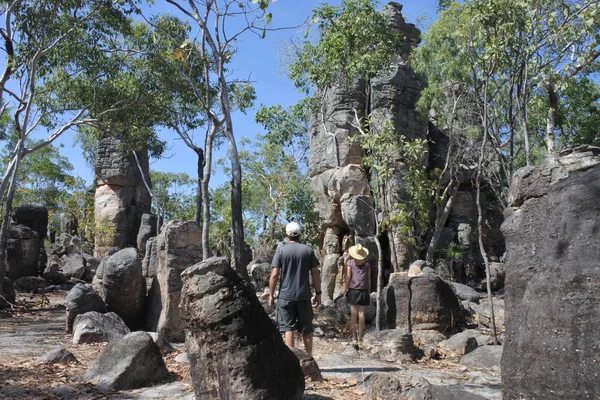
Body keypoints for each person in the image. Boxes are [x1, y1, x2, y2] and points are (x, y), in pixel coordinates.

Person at [269, 222, 321, 355]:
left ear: (287, 235)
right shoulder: (308, 250)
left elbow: (275, 275)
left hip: (286, 296)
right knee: (307, 329)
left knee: (288, 329)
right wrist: (318, 293)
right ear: (300, 234)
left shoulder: (281, 250)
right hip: (304, 296)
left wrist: (271, 295)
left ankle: (292, 362)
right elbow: (315, 273)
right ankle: (310, 360)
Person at [345, 243, 371, 342]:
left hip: (353, 290)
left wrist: (346, 290)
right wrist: (368, 290)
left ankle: (354, 337)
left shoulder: (350, 263)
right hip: (364, 290)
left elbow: (348, 277)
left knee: (353, 313)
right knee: (361, 313)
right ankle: (360, 336)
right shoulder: (367, 265)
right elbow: (368, 279)